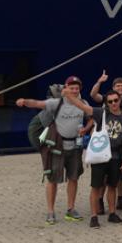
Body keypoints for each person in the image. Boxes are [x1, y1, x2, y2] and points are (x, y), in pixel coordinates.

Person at [16, 76, 88, 225]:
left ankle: (70, 209)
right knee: (52, 179)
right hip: (57, 148)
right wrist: (24, 101)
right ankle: (50, 212)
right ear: (65, 88)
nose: (74, 91)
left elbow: (94, 115)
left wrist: (86, 129)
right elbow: (38, 103)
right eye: (71, 88)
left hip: (75, 147)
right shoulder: (57, 103)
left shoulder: (83, 104)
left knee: (73, 178)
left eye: (77, 88)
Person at [67, 90, 122, 228]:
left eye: (116, 100)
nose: (113, 103)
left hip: (116, 156)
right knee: (96, 187)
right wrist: (69, 96)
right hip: (100, 155)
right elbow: (82, 106)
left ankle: (112, 213)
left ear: (120, 101)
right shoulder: (101, 113)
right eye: (110, 101)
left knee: (112, 186)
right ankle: (94, 216)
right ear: (107, 103)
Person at [89, 70, 122, 212]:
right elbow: (93, 95)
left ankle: (119, 200)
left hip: (118, 145)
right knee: (103, 178)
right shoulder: (108, 98)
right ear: (113, 87)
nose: (120, 88)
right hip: (103, 145)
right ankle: (100, 202)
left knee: (118, 176)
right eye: (118, 86)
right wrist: (100, 81)